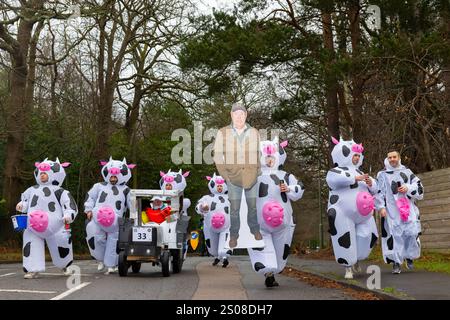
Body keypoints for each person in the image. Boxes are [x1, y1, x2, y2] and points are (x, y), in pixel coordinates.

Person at [248, 138, 305, 287]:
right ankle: (267, 270)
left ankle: (272, 273)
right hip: (260, 222)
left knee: (280, 255)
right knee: (264, 248)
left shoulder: (286, 176)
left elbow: (299, 190)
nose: (269, 161)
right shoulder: (254, 176)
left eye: (272, 157)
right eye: (266, 157)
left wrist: (290, 189)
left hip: (283, 222)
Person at [326, 137, 379, 279]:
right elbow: (334, 180)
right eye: (353, 155)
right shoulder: (335, 171)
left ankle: (356, 259)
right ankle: (348, 266)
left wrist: (370, 183)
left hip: (364, 214)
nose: (356, 158)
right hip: (343, 212)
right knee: (345, 239)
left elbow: (375, 189)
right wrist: (355, 178)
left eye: (357, 155)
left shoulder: (362, 173)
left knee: (367, 236)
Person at [16, 158, 78, 279]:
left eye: (45, 173)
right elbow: (25, 202)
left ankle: (65, 265)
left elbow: (69, 205)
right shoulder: (31, 190)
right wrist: (21, 205)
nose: (42, 175)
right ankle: (32, 269)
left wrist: (68, 215)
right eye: (41, 173)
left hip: (56, 226)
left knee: (62, 243)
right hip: (33, 225)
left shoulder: (61, 191)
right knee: (31, 243)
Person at [213, 102, 262, 248]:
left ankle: (255, 229)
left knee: (252, 207)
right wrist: (225, 176)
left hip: (251, 177)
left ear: (246, 115)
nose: (239, 117)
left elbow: (258, 153)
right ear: (231, 115)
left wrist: (257, 171)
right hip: (232, 178)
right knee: (234, 209)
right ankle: (234, 235)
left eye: (242, 114)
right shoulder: (222, 132)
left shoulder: (254, 132)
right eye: (236, 114)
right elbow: (217, 156)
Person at [375, 151, 424, 274]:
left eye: (394, 157)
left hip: (408, 209)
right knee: (394, 235)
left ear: (399, 158)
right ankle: (396, 262)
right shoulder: (382, 175)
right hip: (392, 211)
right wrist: (381, 207)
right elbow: (378, 192)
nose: (392, 159)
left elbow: (419, 188)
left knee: (411, 233)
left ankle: (409, 256)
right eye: (389, 157)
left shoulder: (407, 172)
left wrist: (408, 188)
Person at [85, 157, 136, 274]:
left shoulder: (126, 190)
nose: (113, 179)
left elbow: (132, 205)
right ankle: (101, 259)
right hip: (98, 217)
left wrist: (133, 216)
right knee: (96, 238)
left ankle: (111, 264)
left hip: (116, 221)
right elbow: (90, 198)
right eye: (111, 176)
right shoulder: (98, 186)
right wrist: (88, 210)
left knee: (113, 243)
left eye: (115, 177)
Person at [195, 173, 232, 267]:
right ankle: (217, 257)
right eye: (217, 186)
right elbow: (198, 207)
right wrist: (202, 207)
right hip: (209, 226)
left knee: (224, 246)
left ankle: (224, 258)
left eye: (221, 186)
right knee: (213, 249)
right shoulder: (206, 198)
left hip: (226, 226)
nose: (219, 188)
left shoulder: (230, 198)